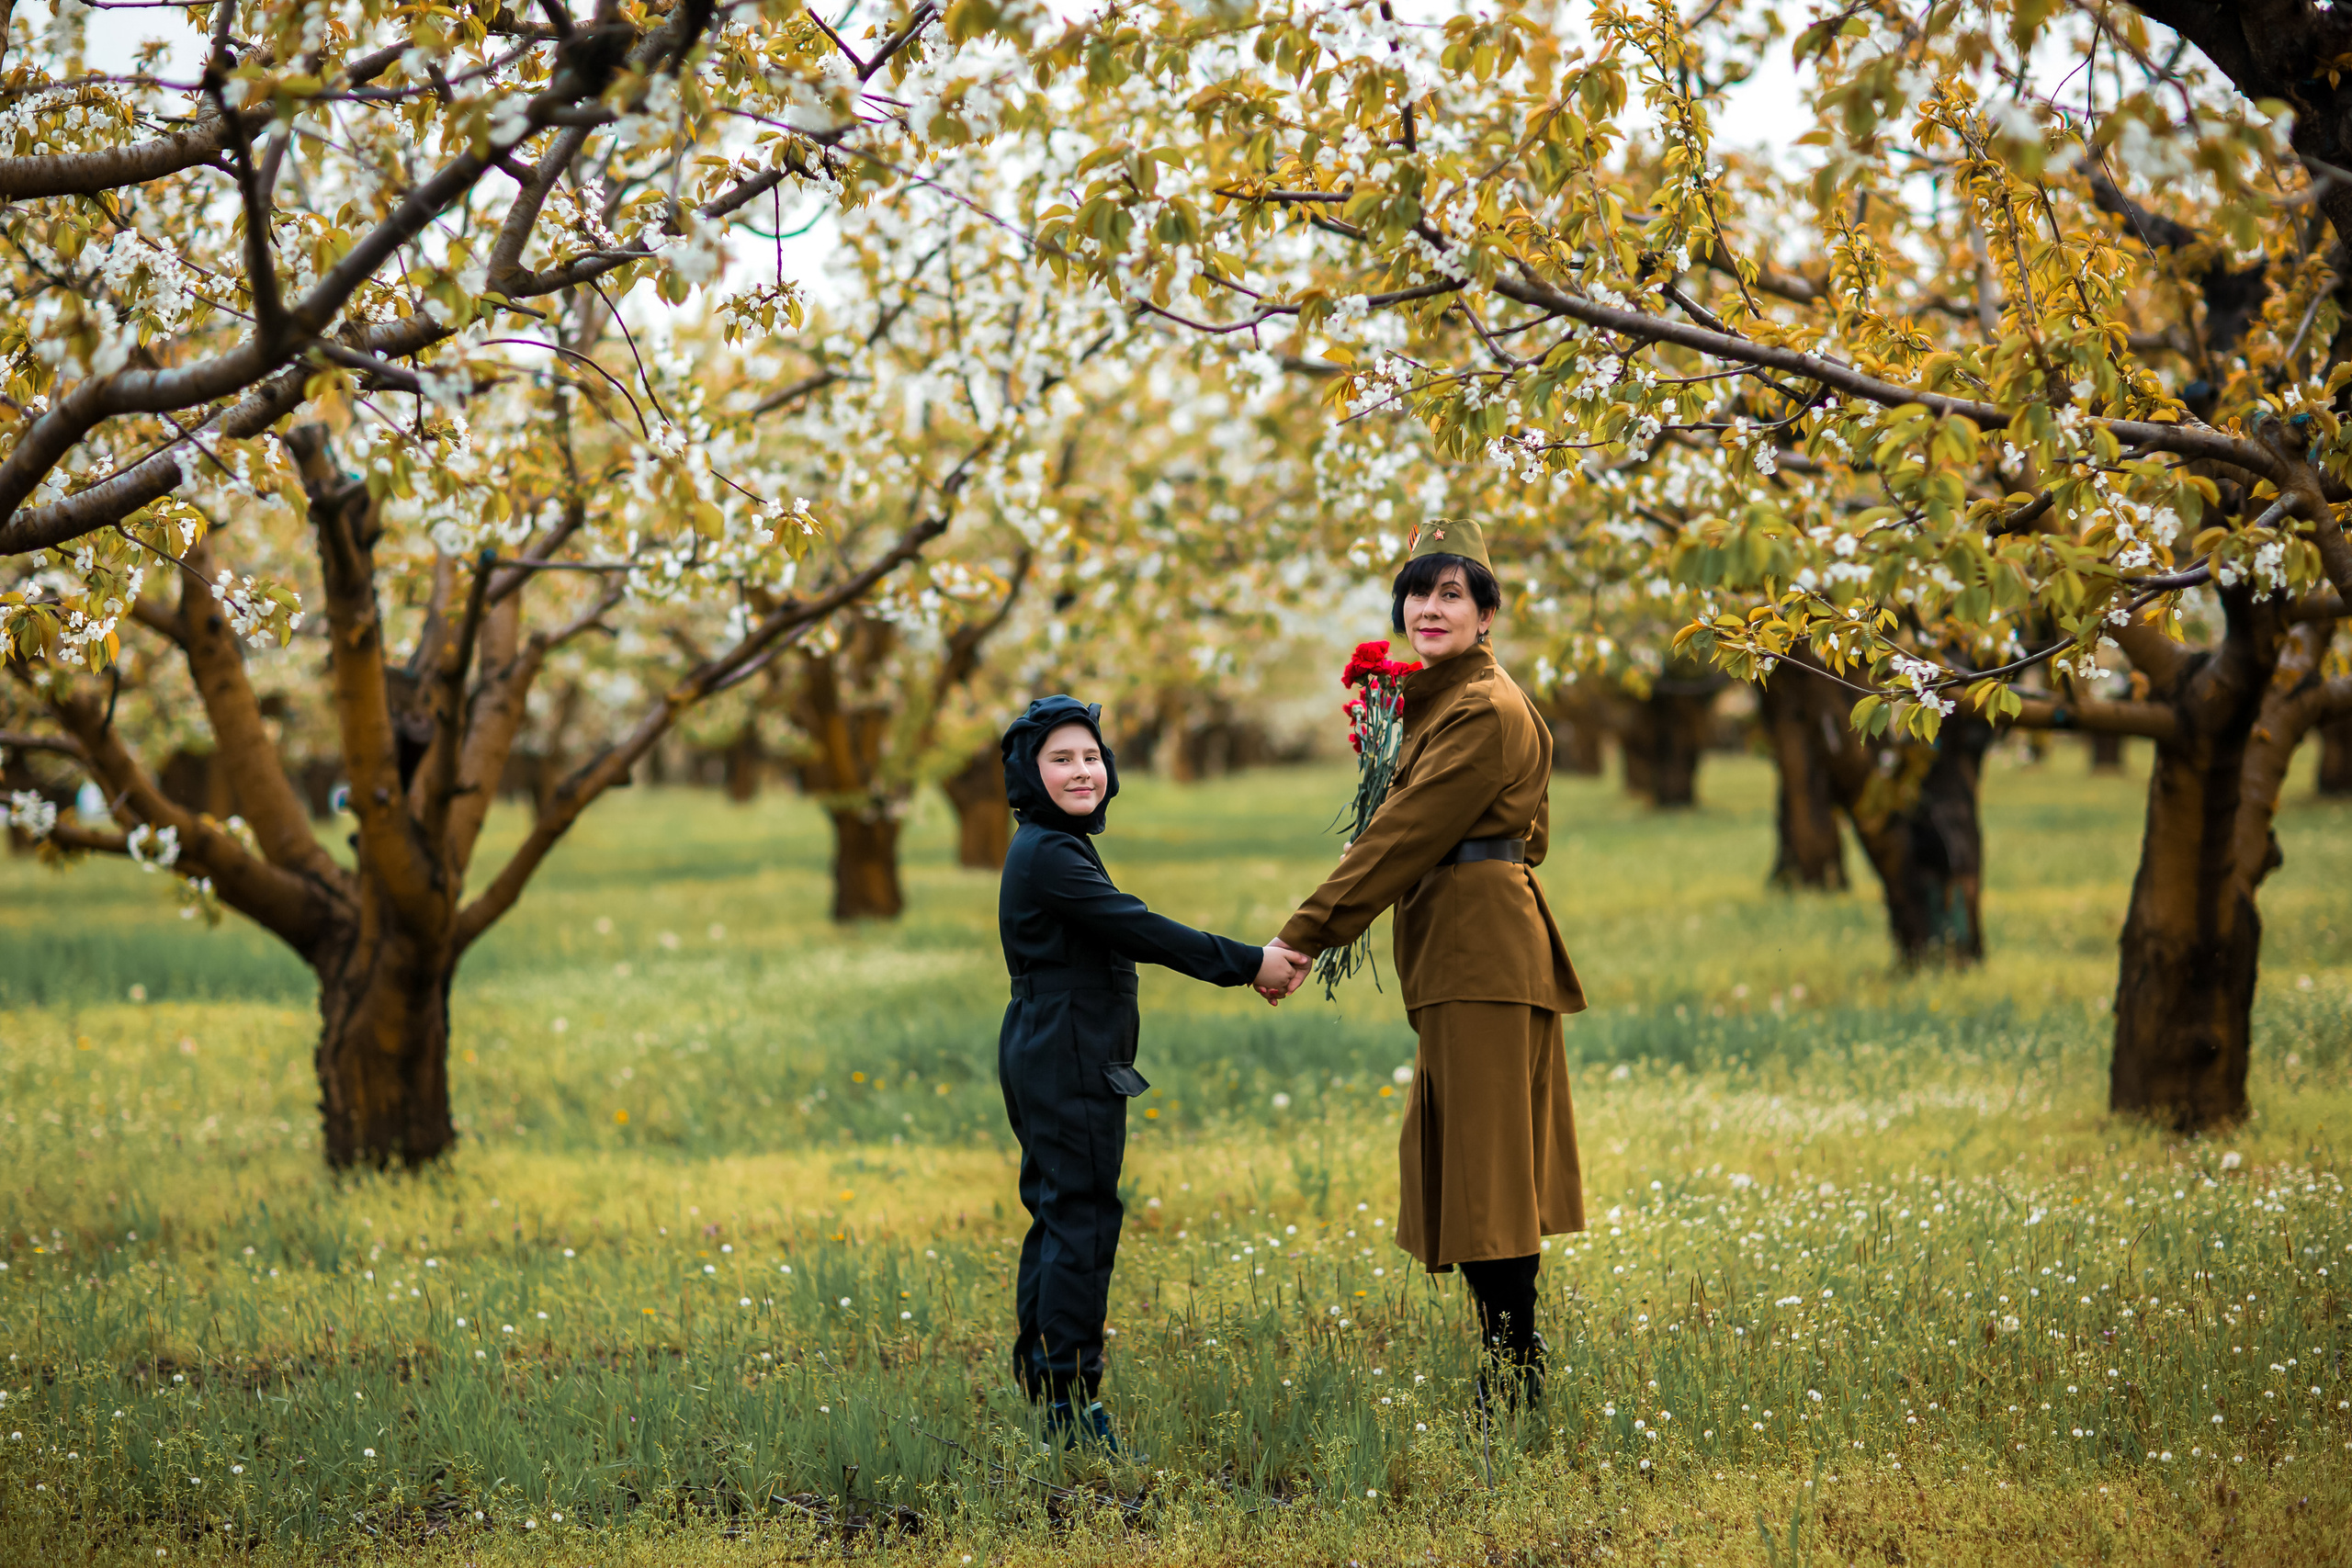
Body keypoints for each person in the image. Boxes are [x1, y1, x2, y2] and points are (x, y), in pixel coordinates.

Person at [1266, 519, 1586, 1409]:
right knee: (1485, 1161)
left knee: (1487, 1168)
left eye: (1452, 593)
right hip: (1472, 945)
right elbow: (1533, 834)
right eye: (1417, 592)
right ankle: (1510, 1363)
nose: (1428, 608)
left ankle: (1514, 1371)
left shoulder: (1482, 708)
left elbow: (1403, 837)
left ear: (1488, 615)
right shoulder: (1453, 701)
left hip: (1482, 955)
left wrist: (1302, 936)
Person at [997, 694, 1308, 1449]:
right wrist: (1250, 962)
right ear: (1030, 773)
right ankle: (1071, 1405)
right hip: (1065, 1052)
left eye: (1091, 755)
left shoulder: (1054, 843)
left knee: (1062, 1211)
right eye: (1061, 758)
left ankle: (1050, 1391)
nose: (1082, 770)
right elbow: (1138, 927)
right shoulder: (1048, 852)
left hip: (1056, 1046)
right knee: (1081, 1220)